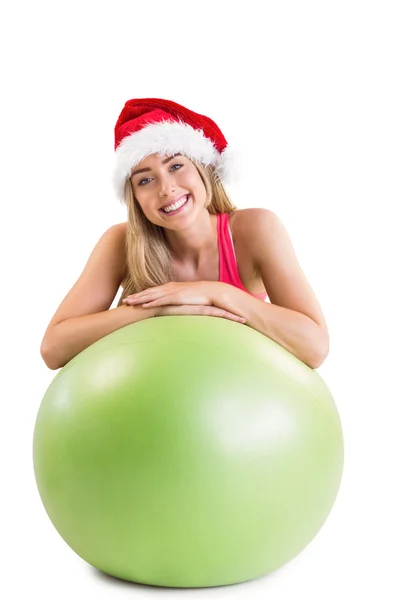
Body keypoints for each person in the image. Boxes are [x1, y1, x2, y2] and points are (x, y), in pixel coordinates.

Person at [40, 98, 329, 371]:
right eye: (145, 180)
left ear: (202, 169)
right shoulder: (121, 243)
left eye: (176, 166)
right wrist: (155, 310)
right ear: (135, 198)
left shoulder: (255, 228)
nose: (166, 188)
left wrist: (215, 293)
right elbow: (53, 349)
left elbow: (314, 348)